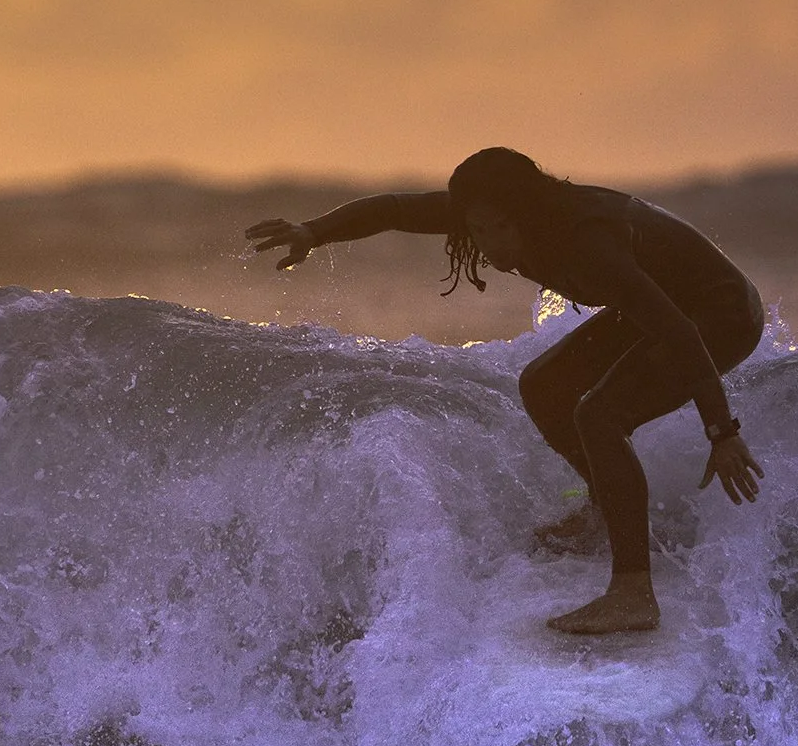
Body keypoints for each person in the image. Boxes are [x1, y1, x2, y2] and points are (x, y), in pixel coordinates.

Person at [246, 147, 765, 636]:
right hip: (668, 305)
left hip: (720, 315)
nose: (490, 244)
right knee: (544, 385)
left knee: (600, 416)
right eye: (477, 229)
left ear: (530, 213)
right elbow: (394, 208)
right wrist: (312, 231)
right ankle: (607, 511)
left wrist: (721, 432)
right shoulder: (487, 213)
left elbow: (680, 332)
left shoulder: (587, 240)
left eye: (500, 229)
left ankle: (633, 593)